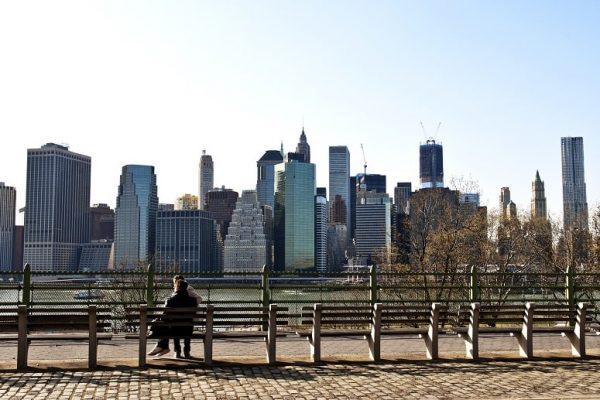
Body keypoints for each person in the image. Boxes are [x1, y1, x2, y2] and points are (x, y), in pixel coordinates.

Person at [147, 278, 198, 358]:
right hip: (188, 330)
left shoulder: (170, 300)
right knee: (183, 323)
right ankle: (186, 352)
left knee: (168, 324)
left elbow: (164, 316)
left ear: (177, 287)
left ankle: (172, 350)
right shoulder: (193, 301)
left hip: (174, 330)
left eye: (174, 286)